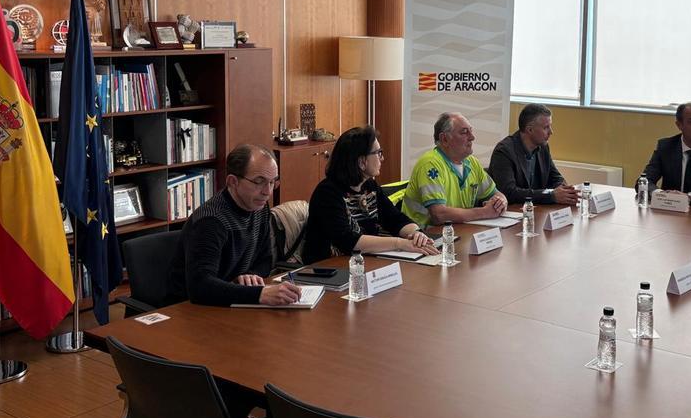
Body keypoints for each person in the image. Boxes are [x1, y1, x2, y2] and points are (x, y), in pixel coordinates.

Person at [167, 144, 302, 306]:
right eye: (259, 182)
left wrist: (250, 275)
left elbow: (265, 260)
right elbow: (200, 287)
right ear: (233, 182)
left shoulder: (259, 207)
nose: (268, 192)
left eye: (273, 182)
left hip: (232, 302)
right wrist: (258, 294)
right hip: (189, 311)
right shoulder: (211, 221)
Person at [303, 126, 437, 264]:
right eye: (378, 153)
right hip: (329, 268)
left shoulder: (369, 186)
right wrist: (399, 243)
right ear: (362, 162)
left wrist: (416, 233)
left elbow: (394, 218)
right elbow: (348, 241)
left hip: (364, 263)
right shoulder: (328, 193)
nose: (382, 158)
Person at [399, 112, 509, 227]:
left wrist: (501, 203)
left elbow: (496, 194)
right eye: (464, 132)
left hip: (458, 231)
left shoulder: (472, 162)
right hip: (425, 237)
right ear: (445, 139)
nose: (472, 137)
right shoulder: (430, 164)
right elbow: (439, 215)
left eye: (471, 131)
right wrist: (485, 212)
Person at [487, 103, 580, 206]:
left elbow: (555, 177)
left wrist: (566, 192)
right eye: (546, 128)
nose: (551, 132)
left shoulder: (543, 147)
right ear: (530, 129)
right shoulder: (504, 152)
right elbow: (509, 193)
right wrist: (551, 195)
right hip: (511, 213)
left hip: (535, 212)